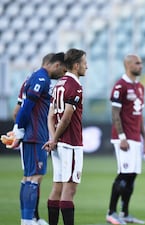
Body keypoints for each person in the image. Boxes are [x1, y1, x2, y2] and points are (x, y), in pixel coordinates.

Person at [3, 52, 65, 225]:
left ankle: (30, 219)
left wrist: (19, 130)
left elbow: (18, 110)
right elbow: (27, 106)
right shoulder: (42, 79)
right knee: (34, 178)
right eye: (61, 69)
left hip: (32, 135)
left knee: (28, 177)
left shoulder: (29, 79)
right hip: (36, 135)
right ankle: (27, 221)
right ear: (55, 64)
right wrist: (19, 129)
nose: (61, 73)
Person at [43, 48, 87, 225]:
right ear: (76, 65)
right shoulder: (74, 86)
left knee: (57, 187)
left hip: (59, 144)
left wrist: (54, 139)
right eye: (84, 63)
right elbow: (67, 117)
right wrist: (55, 139)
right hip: (71, 143)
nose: (87, 66)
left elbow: (51, 115)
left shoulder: (59, 84)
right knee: (69, 191)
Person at [106, 54, 145, 225]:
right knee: (123, 175)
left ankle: (124, 213)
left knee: (132, 176)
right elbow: (115, 113)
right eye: (137, 63)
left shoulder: (140, 87)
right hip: (123, 137)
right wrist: (122, 136)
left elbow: (140, 115)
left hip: (135, 138)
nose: (141, 66)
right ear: (128, 65)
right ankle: (111, 212)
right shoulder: (120, 86)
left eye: (141, 62)